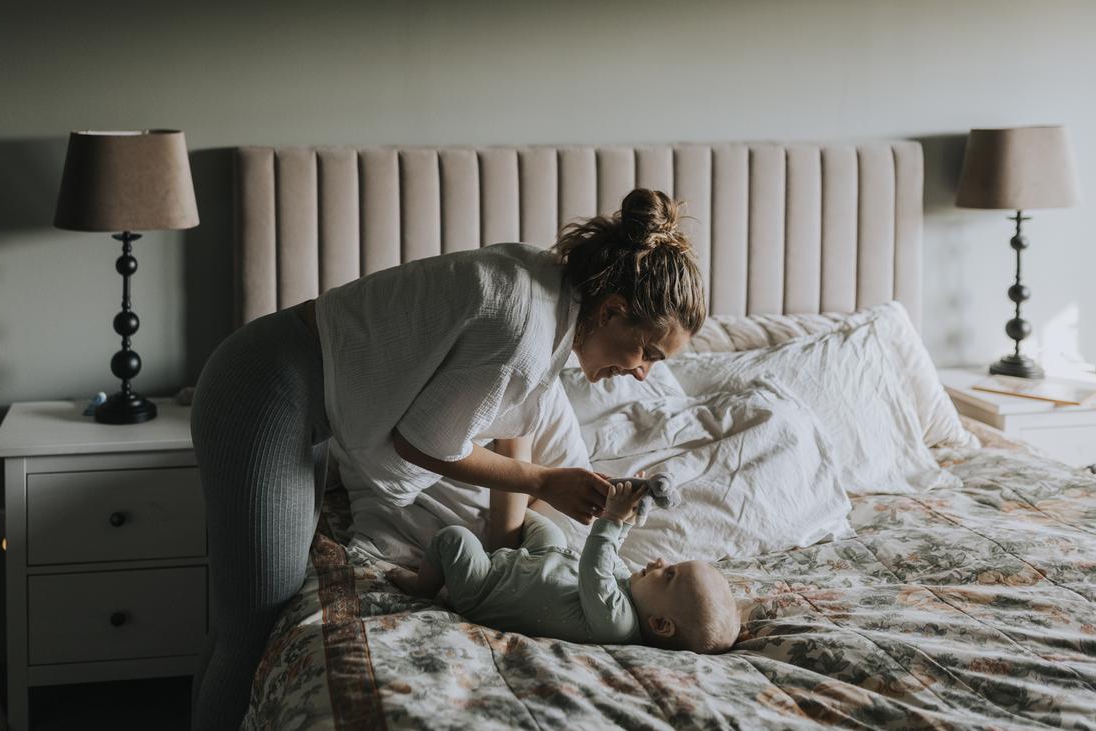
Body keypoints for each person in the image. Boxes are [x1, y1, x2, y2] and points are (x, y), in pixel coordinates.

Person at [188, 188, 706, 729]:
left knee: (243, 620)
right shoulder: (525, 335)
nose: (645, 372)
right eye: (648, 352)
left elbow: (513, 426)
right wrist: (546, 482)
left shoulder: (550, 292)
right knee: (252, 624)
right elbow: (423, 444)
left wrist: (511, 540)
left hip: (298, 396)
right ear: (614, 310)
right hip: (265, 386)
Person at [388, 480, 740, 653]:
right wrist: (627, 518)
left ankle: (423, 586)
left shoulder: (618, 624)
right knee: (548, 527)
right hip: (544, 560)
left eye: (669, 574)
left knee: (454, 538)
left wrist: (613, 520)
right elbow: (609, 552)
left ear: (660, 624)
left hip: (487, 589)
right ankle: (510, 507)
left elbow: (594, 566)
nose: (661, 562)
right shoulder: (631, 590)